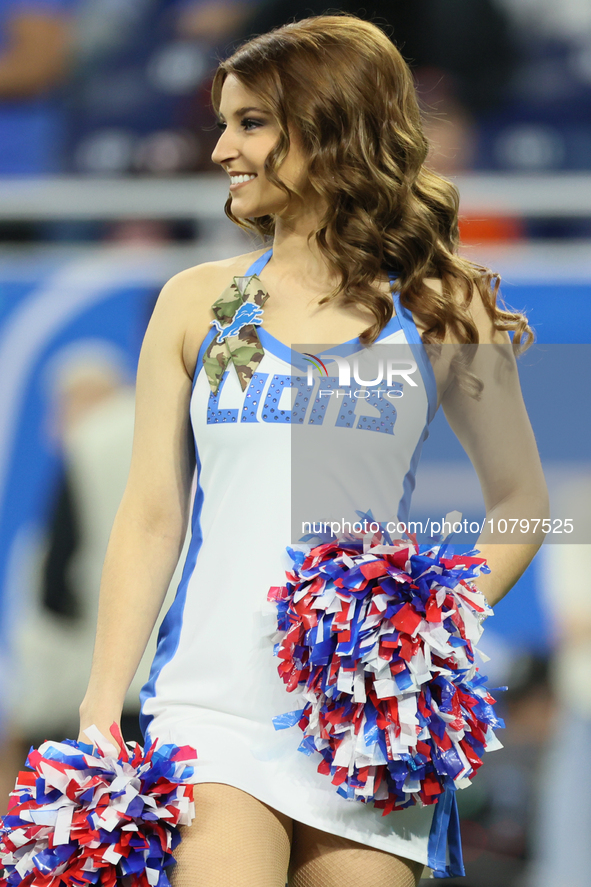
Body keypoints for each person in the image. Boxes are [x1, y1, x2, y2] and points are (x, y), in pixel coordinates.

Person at [77, 15, 549, 887]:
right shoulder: (194, 302)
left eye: (250, 122)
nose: (220, 147)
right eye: (222, 122)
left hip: (366, 715)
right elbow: (150, 515)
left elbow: (521, 502)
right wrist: (103, 697)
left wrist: (421, 633)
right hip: (212, 699)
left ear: (331, 126)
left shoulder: (442, 303)